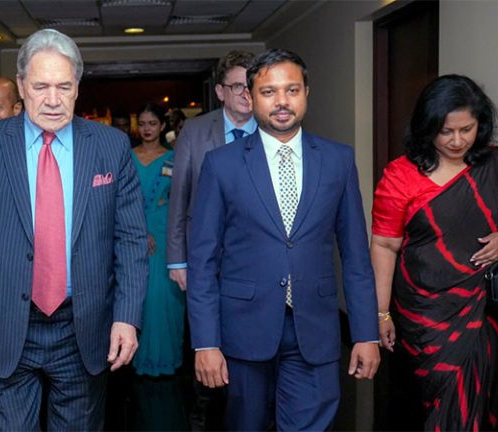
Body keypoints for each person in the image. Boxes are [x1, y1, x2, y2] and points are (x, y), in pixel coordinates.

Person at [0, 28, 148, 431]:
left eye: (63, 87)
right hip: (5, 322)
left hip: (82, 325)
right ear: (21, 86)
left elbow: (131, 240)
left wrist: (126, 317)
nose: (52, 99)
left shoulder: (110, 146)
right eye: (41, 86)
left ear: (78, 88)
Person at [187, 49, 380, 431]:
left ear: (306, 92)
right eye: (268, 92)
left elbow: (356, 254)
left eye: (291, 90)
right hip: (244, 327)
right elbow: (203, 260)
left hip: (316, 325)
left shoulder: (338, 160)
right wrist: (205, 343)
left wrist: (365, 333)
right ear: (250, 97)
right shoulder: (221, 164)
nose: (281, 102)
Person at [370, 74, 498, 431]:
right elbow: (385, 245)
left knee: (473, 401)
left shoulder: (496, 163)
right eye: (446, 131)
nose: (458, 140)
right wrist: (382, 313)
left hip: (486, 307)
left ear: (481, 125)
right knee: (437, 401)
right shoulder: (400, 176)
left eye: (468, 129)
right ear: (427, 127)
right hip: (424, 314)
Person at [165, 49, 256, 430]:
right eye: (238, 87)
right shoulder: (197, 132)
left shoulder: (275, 128)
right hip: (204, 258)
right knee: (206, 339)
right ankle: (205, 415)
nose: (247, 95)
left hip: (253, 260)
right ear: (220, 91)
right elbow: (180, 196)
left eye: (254, 86)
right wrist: (177, 260)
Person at [131, 102, 184, 376]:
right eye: (142, 124)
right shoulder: (127, 157)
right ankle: (139, 358)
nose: (147, 129)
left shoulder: (175, 158)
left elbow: (183, 201)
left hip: (167, 237)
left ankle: (169, 357)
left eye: (152, 123)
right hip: (133, 235)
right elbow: (119, 202)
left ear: (162, 126)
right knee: (141, 297)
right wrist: (139, 231)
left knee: (166, 297)